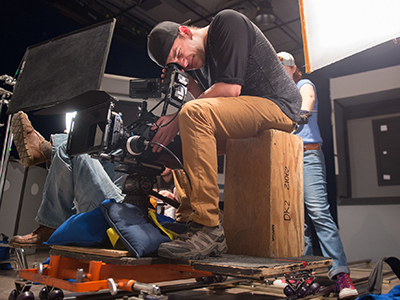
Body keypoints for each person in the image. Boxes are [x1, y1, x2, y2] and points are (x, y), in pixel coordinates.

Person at [146, 9, 302, 260]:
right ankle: (190, 222)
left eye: (179, 54)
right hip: (245, 113)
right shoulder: (195, 61)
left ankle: (209, 229)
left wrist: (175, 119)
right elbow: (209, 106)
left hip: (279, 107)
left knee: (190, 116)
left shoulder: (226, 24)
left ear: (185, 32)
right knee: (177, 139)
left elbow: (229, 90)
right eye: (176, 63)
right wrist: (188, 81)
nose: (183, 62)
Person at [277, 51, 358, 299]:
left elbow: (308, 98)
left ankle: (341, 275)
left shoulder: (303, 84)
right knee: (296, 221)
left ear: (294, 69)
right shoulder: (277, 96)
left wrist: (302, 113)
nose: (282, 71)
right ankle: (303, 275)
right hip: (286, 159)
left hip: (308, 155)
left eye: (286, 67)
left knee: (319, 213)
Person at [8, 111, 125, 248]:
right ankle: (44, 149)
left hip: (121, 215)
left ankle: (52, 225)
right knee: (112, 150)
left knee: (72, 150)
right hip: (120, 204)